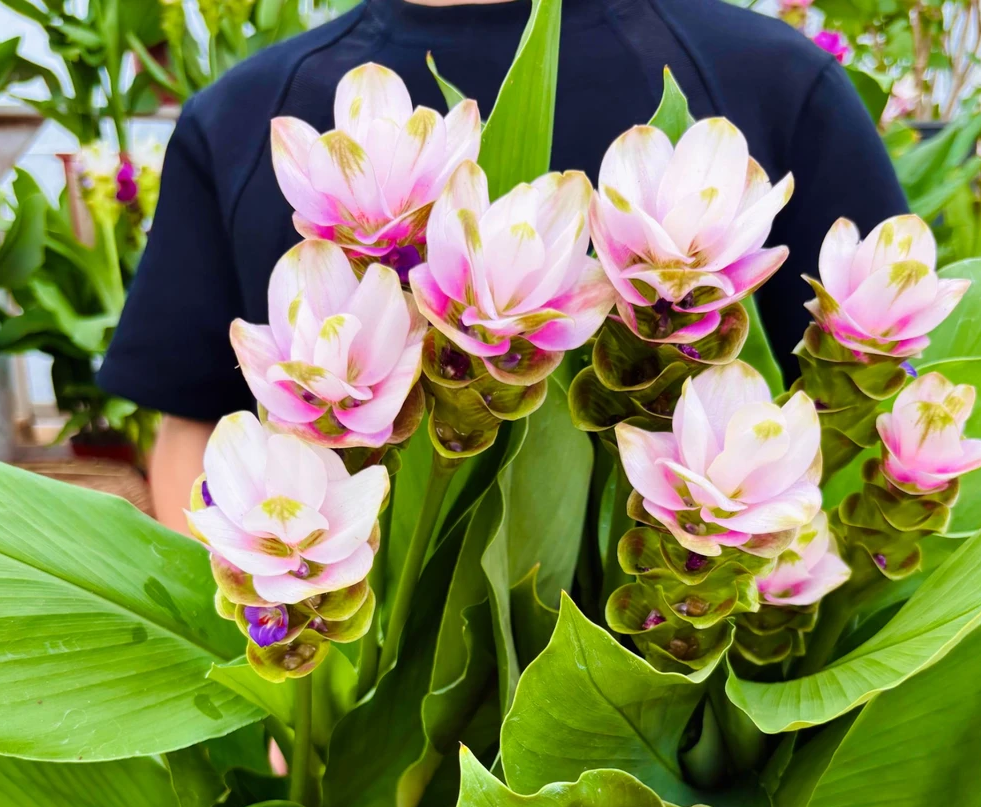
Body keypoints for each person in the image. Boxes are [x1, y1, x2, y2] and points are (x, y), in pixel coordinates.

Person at [98, 0, 907, 530]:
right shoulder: (247, 120)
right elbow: (198, 428)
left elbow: (876, 411)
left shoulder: (770, 83)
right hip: (349, 742)